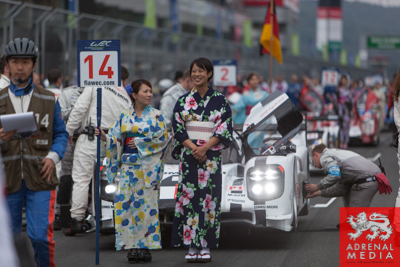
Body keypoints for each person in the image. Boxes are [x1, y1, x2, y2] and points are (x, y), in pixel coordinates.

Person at [1, 37, 69, 267]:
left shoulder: (49, 99)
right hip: (7, 179)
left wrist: (53, 157)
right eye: (15, 62)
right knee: (7, 241)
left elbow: (61, 134)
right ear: (7, 65)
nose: (20, 67)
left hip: (41, 175)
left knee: (40, 237)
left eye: (25, 62)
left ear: (34, 65)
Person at [97, 79, 168, 263]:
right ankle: (131, 246)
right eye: (145, 91)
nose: (149, 95)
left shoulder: (157, 116)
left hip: (147, 168)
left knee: (146, 207)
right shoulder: (124, 115)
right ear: (134, 95)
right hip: (128, 167)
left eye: (151, 91)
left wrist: (138, 142)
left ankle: (144, 246)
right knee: (127, 207)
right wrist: (106, 137)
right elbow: (115, 137)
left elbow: (163, 139)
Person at [171, 58, 233, 263]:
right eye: (194, 71)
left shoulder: (220, 100)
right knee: (189, 199)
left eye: (201, 71)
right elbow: (178, 129)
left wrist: (205, 147)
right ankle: (191, 245)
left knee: (209, 199)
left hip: (210, 156)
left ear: (210, 74)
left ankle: (205, 245)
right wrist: (194, 148)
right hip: (190, 156)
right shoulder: (182, 101)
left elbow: (224, 128)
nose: (197, 74)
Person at [64, 66, 131, 236]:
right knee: (113, 180)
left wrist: (69, 132)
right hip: (112, 141)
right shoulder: (126, 97)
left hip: (90, 137)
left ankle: (77, 220)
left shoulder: (95, 86)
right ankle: (113, 216)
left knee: (81, 178)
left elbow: (79, 109)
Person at [305, 144, 391, 208]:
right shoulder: (337, 153)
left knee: (355, 222)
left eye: (313, 161)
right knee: (347, 191)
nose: (315, 166)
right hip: (374, 177)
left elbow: (334, 175)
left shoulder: (325, 156)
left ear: (316, 154)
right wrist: (319, 192)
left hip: (367, 180)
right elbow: (341, 189)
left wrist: (317, 186)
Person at [53, 85, 85, 230]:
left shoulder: (99, 91)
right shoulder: (67, 93)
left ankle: (84, 213)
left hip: (86, 139)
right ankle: (60, 213)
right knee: (66, 177)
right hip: (69, 139)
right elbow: (61, 114)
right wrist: (78, 109)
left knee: (84, 178)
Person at [334, 75, 352, 149]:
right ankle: (341, 142)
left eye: (345, 80)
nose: (343, 81)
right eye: (342, 80)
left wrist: (346, 102)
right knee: (341, 127)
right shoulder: (338, 90)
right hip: (340, 109)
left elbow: (351, 100)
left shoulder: (348, 90)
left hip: (347, 110)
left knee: (346, 127)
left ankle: (346, 141)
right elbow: (335, 99)